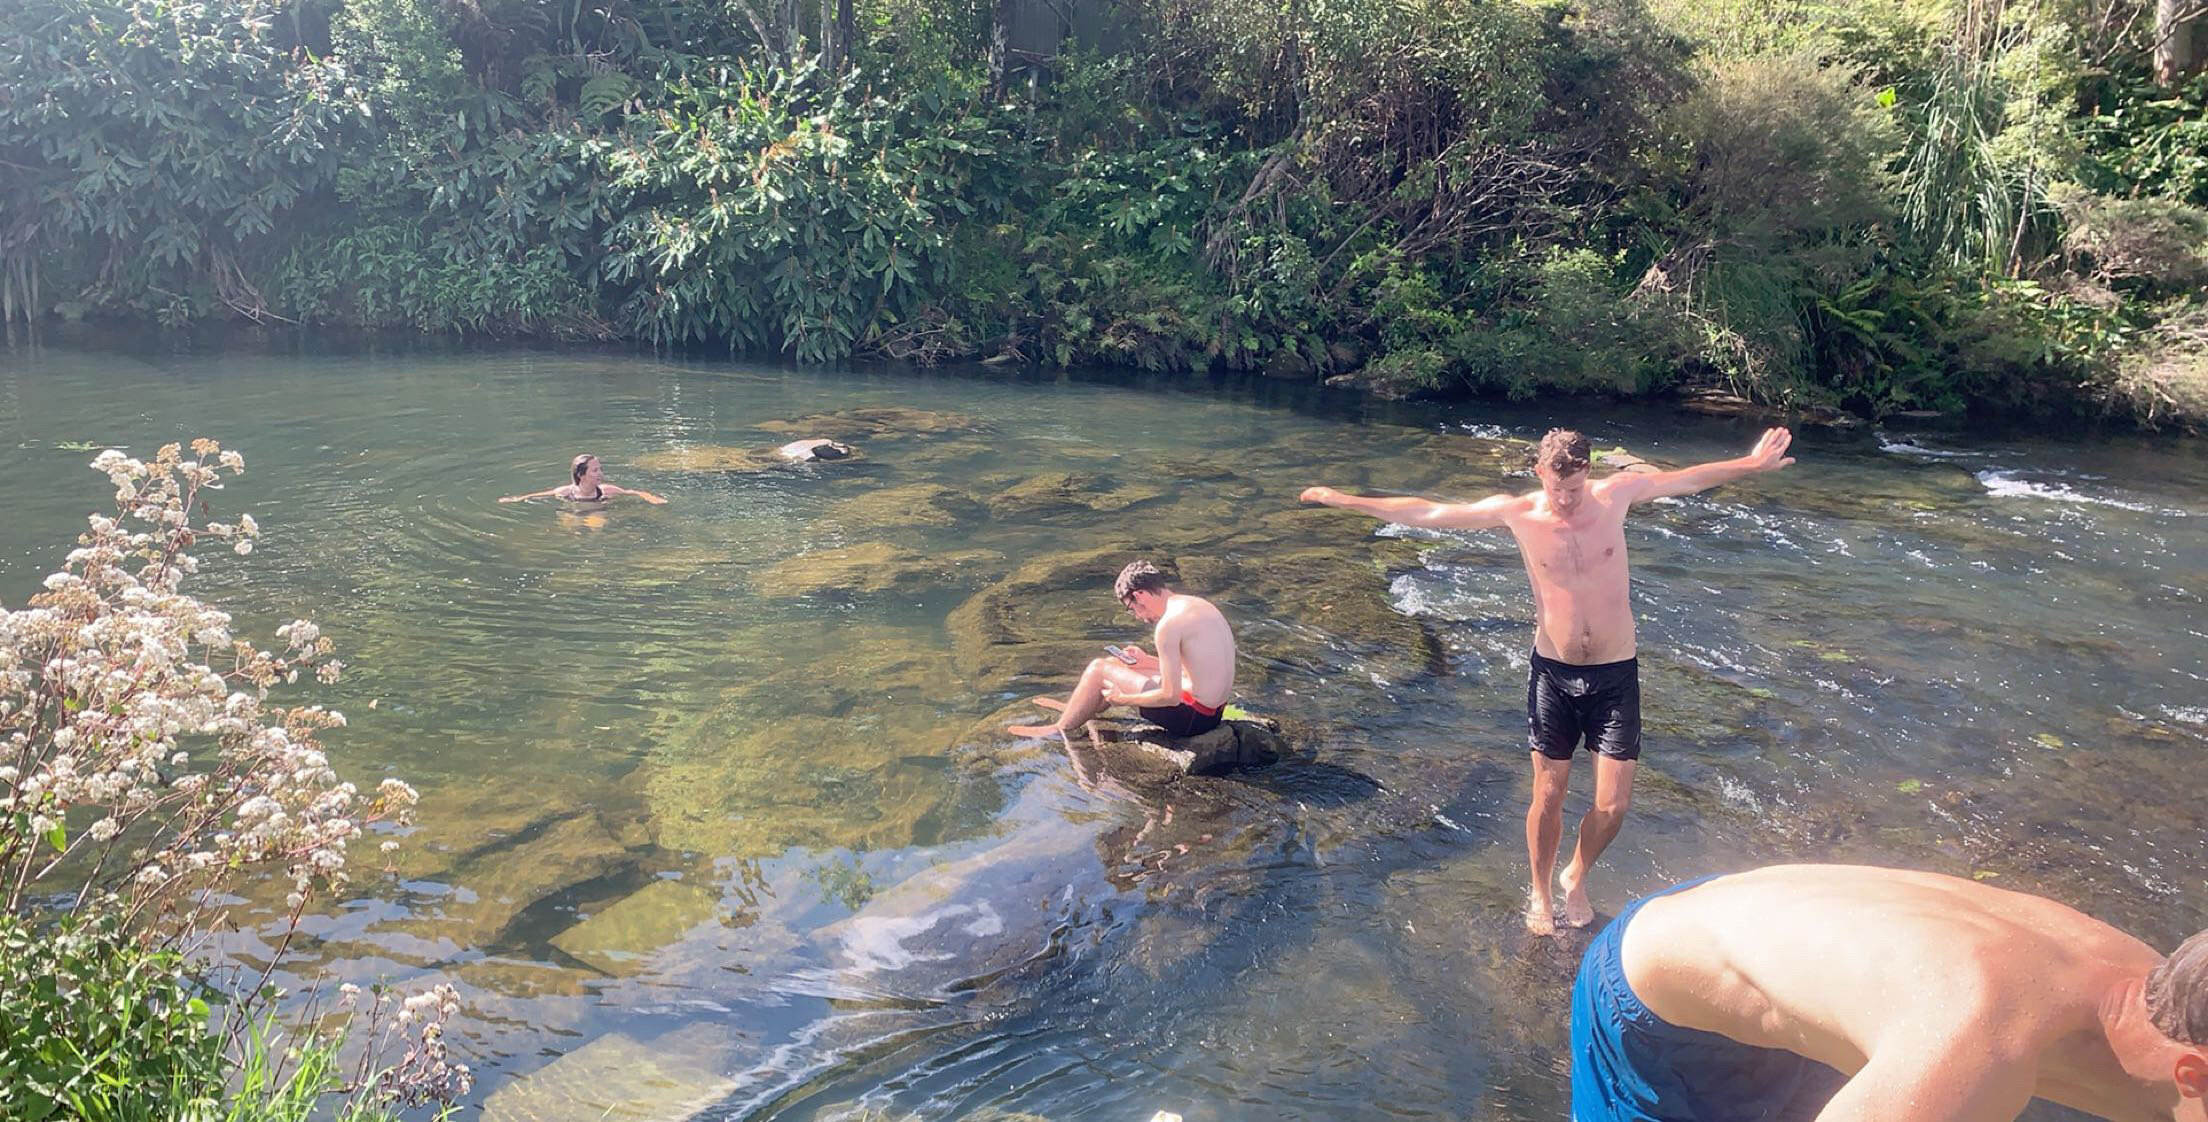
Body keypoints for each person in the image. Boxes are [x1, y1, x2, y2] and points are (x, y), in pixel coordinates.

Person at [1301, 426, 1794, 934]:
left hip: (1615, 673)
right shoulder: (1519, 513)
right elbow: (1425, 511)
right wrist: (1342, 499)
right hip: (1553, 674)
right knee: (1549, 793)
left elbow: (1688, 480)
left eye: (1575, 488)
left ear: (1587, 473)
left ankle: (1575, 875)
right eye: (1558, 489)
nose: (1566, 499)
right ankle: (1539, 890)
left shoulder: (1615, 495)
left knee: (1612, 804)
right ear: (1540, 473)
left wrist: (1751, 465)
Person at [1572, 863, 2208, 1122]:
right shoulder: (1977, 1050)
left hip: (1804, 940)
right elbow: (1968, 1048)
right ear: (2192, 1071)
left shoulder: (2163, 986)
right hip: (1651, 986)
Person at [1007, 561, 1238, 743]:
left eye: (1131, 609)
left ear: (1139, 595)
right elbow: (1195, 669)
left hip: (1192, 720)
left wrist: (1123, 700)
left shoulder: (1168, 625)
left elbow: (1171, 696)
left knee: (1099, 668)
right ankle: (1078, 710)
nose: (1137, 616)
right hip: (1212, 713)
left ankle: (1061, 729)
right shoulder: (1196, 605)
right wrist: (1146, 661)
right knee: (1116, 664)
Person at [500, 454, 668, 505]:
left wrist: (651, 498)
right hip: (573, 509)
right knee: (569, 528)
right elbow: (537, 495)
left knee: (596, 527)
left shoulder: (606, 490)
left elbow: (633, 492)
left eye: (600, 469)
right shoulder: (566, 492)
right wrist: (515, 499)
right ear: (581, 475)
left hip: (596, 510)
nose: (600, 473)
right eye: (595, 470)